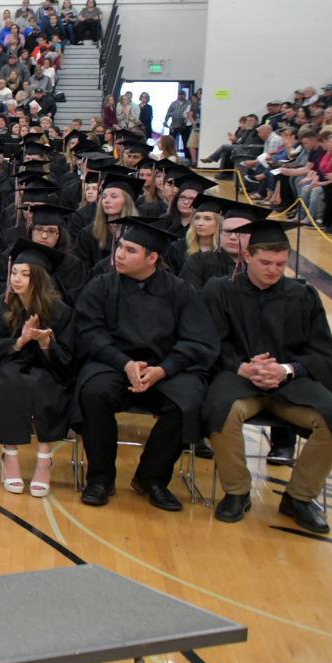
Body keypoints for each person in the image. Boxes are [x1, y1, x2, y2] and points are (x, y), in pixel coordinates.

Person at [200, 219, 332, 534]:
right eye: (266, 263)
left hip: (290, 383)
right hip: (237, 377)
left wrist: (285, 369)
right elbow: (206, 342)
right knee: (220, 410)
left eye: (281, 264)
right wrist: (242, 367)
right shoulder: (220, 290)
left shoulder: (303, 295)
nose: (274, 270)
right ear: (247, 256)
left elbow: (323, 354)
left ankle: (298, 498)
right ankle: (237, 491)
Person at [72, 216, 218, 511]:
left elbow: (197, 340)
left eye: (130, 250)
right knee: (93, 392)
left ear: (152, 258)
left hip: (166, 369)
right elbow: (89, 332)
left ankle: (152, 479)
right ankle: (100, 477)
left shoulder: (180, 291)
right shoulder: (101, 286)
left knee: (187, 402)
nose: (119, 254)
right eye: (120, 247)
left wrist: (164, 369)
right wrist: (124, 363)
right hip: (114, 365)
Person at [0, 240, 76, 497]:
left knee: (45, 385)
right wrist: (19, 341)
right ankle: (9, 454)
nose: (17, 279)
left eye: (25, 274)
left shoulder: (60, 311)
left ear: (40, 279)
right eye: (14, 273)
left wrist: (45, 343)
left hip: (49, 369)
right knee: (10, 383)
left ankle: (45, 458)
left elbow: (68, 359)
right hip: (7, 366)